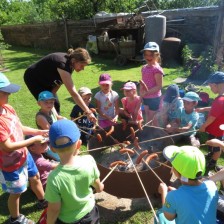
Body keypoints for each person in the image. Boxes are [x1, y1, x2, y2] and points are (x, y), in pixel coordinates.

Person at [0, 73, 49, 224]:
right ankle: (15, 218)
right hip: (10, 165)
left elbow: (19, 127)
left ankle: (43, 200)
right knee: (17, 192)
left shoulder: (8, 108)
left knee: (35, 178)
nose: (9, 94)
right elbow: (6, 147)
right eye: (5, 92)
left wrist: (37, 132)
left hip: (24, 155)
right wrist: (33, 141)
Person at [45, 119, 104, 224]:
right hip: (90, 214)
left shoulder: (54, 178)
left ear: (52, 149)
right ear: (79, 144)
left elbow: (54, 209)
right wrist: (100, 187)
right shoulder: (89, 160)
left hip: (68, 220)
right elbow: (98, 187)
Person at [23, 47, 96, 123]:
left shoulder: (70, 65)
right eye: (82, 65)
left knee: (55, 103)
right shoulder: (63, 64)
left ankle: (57, 122)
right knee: (47, 104)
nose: (83, 69)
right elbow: (73, 93)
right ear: (74, 60)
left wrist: (52, 95)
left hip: (47, 79)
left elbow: (58, 82)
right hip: (34, 79)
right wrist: (88, 112)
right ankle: (47, 127)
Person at [155, 145, 218, 224]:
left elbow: (169, 217)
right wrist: (177, 195)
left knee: (160, 214)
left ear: (176, 172)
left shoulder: (173, 196)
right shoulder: (212, 186)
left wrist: (164, 193)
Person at [198, 71, 224, 170]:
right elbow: (216, 109)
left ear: (215, 85)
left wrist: (203, 126)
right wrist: (204, 109)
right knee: (211, 143)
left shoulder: (219, 100)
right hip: (218, 128)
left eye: (210, 87)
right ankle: (211, 154)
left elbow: (212, 117)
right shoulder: (222, 98)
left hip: (216, 129)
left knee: (217, 147)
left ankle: (213, 162)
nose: (211, 89)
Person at [140, 42, 164, 123]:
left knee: (151, 118)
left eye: (151, 55)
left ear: (157, 55)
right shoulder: (144, 68)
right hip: (145, 97)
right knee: (147, 116)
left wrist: (147, 92)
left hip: (154, 98)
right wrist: (141, 93)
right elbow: (143, 82)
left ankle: (153, 133)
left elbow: (159, 86)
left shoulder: (157, 69)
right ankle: (150, 132)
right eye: (146, 54)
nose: (148, 57)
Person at [36, 90, 62, 161]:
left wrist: (64, 120)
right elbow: (51, 131)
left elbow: (58, 117)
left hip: (56, 138)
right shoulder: (41, 117)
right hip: (48, 142)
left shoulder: (51, 109)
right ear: (39, 103)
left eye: (51, 102)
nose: (49, 105)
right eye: (46, 102)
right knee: (62, 158)